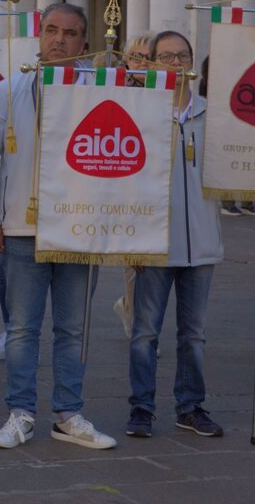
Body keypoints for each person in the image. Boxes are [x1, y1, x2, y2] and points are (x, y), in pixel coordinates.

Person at [0, 3, 116, 452]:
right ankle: (21, 413)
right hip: (21, 227)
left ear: (84, 43)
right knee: (21, 329)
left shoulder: (103, 90)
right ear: (39, 35)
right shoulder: (11, 89)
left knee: (73, 329)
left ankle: (69, 414)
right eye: (51, 30)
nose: (59, 40)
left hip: (80, 230)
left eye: (70, 33)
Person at [125, 31, 225, 439]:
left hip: (201, 242)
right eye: (166, 57)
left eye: (182, 56)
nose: (176, 64)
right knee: (145, 332)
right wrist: (131, 240)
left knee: (194, 335)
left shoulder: (213, 116)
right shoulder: (141, 114)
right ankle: (141, 407)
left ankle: (190, 406)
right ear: (151, 64)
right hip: (154, 242)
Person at [111, 32, 154, 339]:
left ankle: (132, 308)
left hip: (156, 183)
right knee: (134, 261)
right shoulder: (117, 90)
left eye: (148, 57)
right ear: (126, 60)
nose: (142, 63)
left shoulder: (167, 90)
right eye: (136, 57)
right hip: (127, 185)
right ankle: (136, 317)